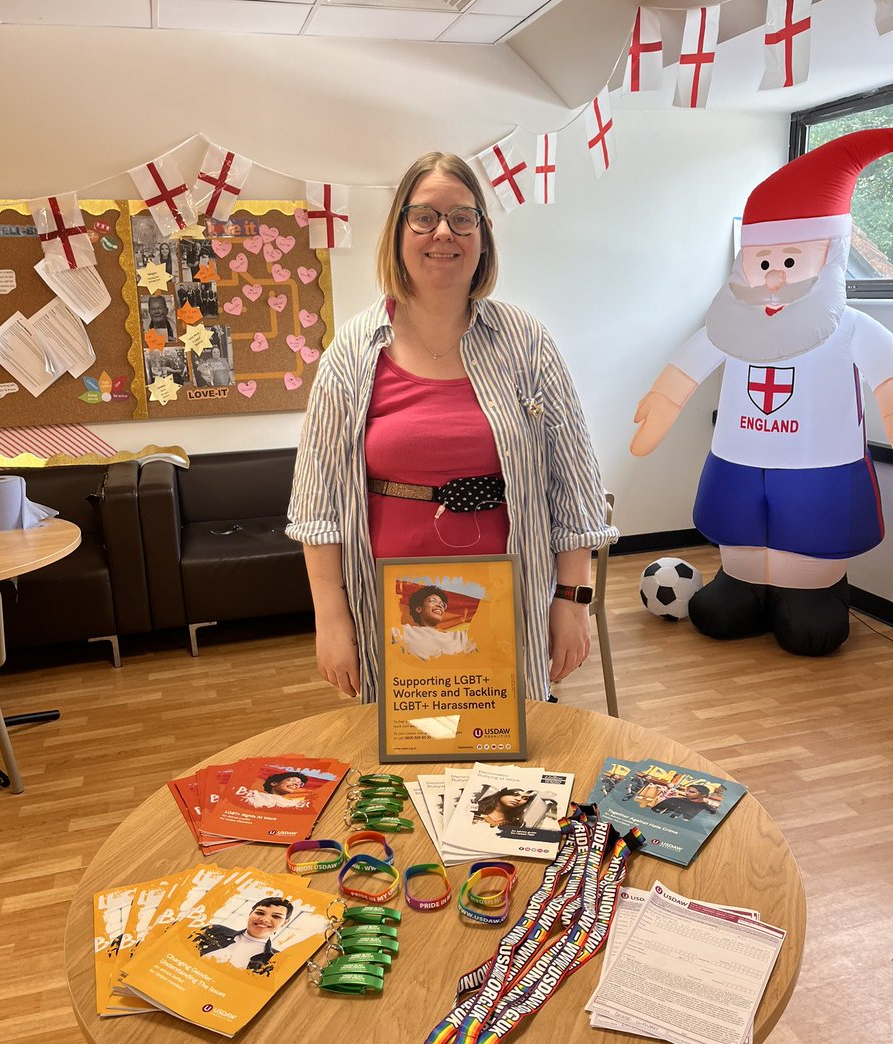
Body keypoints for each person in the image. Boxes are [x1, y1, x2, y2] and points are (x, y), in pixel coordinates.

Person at [287, 151, 617, 702]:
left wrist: (572, 600)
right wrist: (331, 617)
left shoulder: (526, 342)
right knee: (413, 749)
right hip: (389, 611)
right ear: (398, 233)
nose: (444, 232)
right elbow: (316, 502)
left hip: (510, 604)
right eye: (424, 217)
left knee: (501, 749)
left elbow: (574, 482)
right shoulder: (353, 350)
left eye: (463, 218)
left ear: (482, 237)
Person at [631, 129, 893, 656]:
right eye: (763, 262)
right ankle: (743, 584)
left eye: (790, 262)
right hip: (738, 460)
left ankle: (811, 593)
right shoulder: (733, 327)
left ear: (830, 257)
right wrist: (663, 402)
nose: (773, 278)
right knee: (738, 532)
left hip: (820, 468)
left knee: (811, 550)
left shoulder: (850, 328)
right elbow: (686, 369)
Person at [191, 897, 293, 975]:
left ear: (285, 922)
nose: (264, 919)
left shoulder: (276, 961)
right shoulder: (214, 930)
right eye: (260, 913)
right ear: (250, 914)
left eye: (276, 916)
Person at [391, 584, 477, 661]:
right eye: (433, 601)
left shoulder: (460, 637)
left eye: (442, 604)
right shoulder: (404, 632)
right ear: (419, 609)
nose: (440, 606)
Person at [241, 771, 314, 810]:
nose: (296, 784)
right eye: (292, 780)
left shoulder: (296, 803)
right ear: (274, 783)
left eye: (299, 784)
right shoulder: (254, 795)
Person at [650, 783, 716, 822]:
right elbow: (653, 811)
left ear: (703, 794)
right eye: (687, 791)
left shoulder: (709, 810)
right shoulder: (674, 800)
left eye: (692, 792)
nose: (686, 793)